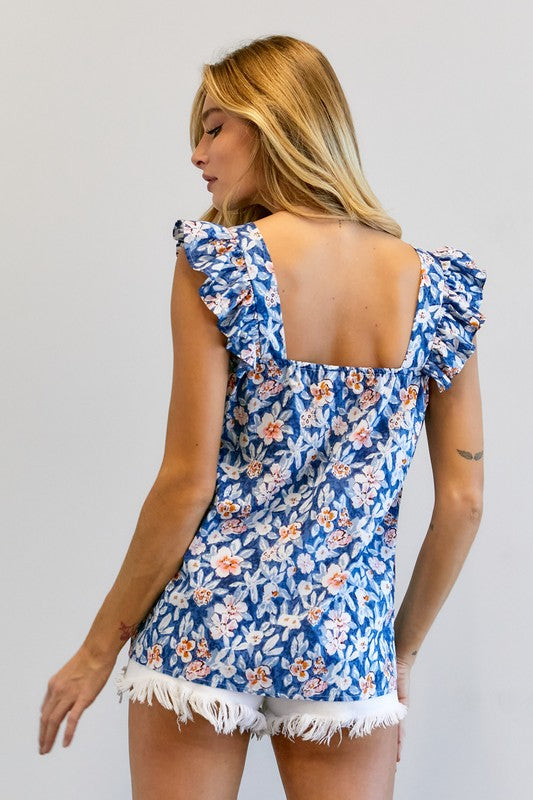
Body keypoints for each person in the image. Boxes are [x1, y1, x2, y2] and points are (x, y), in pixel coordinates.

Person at [38, 34, 486, 800]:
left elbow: (186, 483)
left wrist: (93, 650)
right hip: (343, 641)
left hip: (205, 624)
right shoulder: (437, 288)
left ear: (276, 122)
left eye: (213, 128)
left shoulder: (223, 262)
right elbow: (463, 502)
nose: (197, 153)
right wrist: (397, 654)